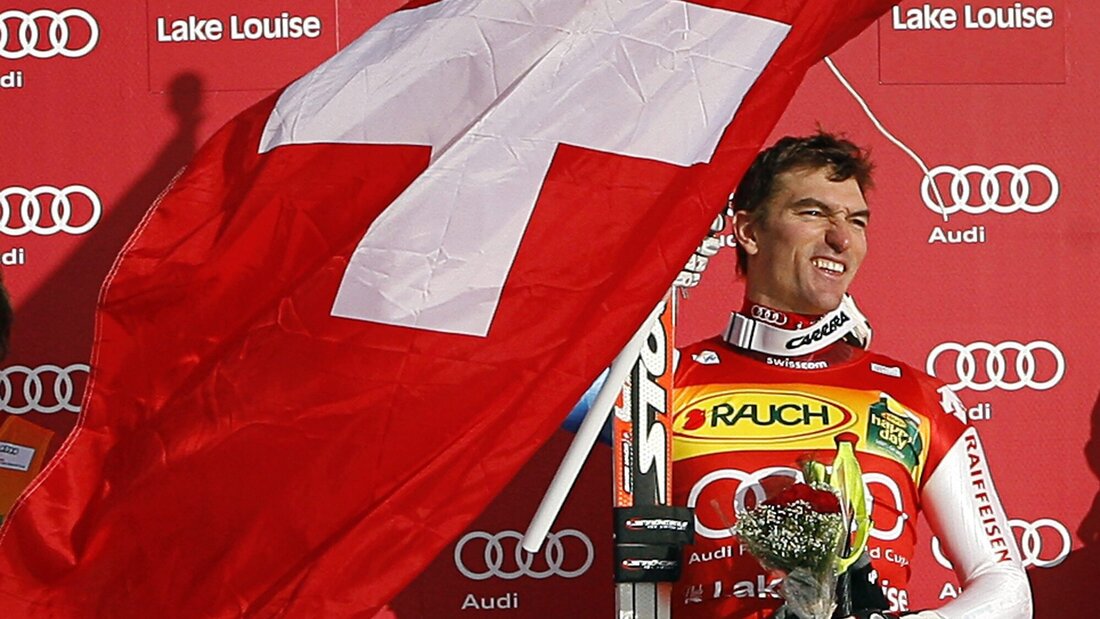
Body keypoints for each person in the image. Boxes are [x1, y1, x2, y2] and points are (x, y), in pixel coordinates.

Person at [666, 131, 1031, 618]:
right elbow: (560, 377)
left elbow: (1006, 586)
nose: (840, 238)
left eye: (855, 221)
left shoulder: (916, 397)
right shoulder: (663, 381)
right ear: (749, 232)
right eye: (813, 213)